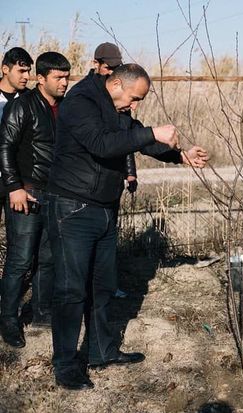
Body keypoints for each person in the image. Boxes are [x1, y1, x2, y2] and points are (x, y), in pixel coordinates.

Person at [46, 63, 208, 390]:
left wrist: (180, 156)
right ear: (116, 83)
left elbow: (137, 139)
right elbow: (103, 144)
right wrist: (152, 132)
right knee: (70, 290)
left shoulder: (115, 105)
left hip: (104, 207)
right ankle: (65, 365)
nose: (134, 106)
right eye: (134, 98)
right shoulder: (81, 101)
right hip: (72, 208)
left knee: (102, 286)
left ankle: (102, 351)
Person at [0, 52, 70, 346]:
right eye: (58, 77)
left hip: (54, 194)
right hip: (26, 193)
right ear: (41, 79)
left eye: (67, 76)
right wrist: (14, 187)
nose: (65, 83)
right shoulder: (22, 105)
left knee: (48, 257)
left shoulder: (65, 108)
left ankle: (42, 312)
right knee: (20, 258)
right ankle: (8, 319)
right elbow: (4, 147)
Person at [92, 42, 136, 299]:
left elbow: (126, 138)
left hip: (112, 179)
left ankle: (108, 286)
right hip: (88, 186)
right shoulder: (86, 97)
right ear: (96, 64)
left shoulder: (121, 94)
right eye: (108, 67)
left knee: (109, 240)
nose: (112, 73)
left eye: (116, 68)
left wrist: (130, 170)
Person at [0, 47, 33, 222]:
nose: (26, 77)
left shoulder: (30, 100)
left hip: (20, 180)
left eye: (28, 71)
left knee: (19, 238)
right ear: (5, 69)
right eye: (21, 71)